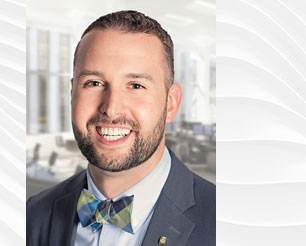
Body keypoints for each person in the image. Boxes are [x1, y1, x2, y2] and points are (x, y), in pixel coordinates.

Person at [27, 10, 215, 246]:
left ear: (172, 103)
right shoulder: (31, 215)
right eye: (93, 83)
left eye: (135, 85)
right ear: (72, 93)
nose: (111, 109)